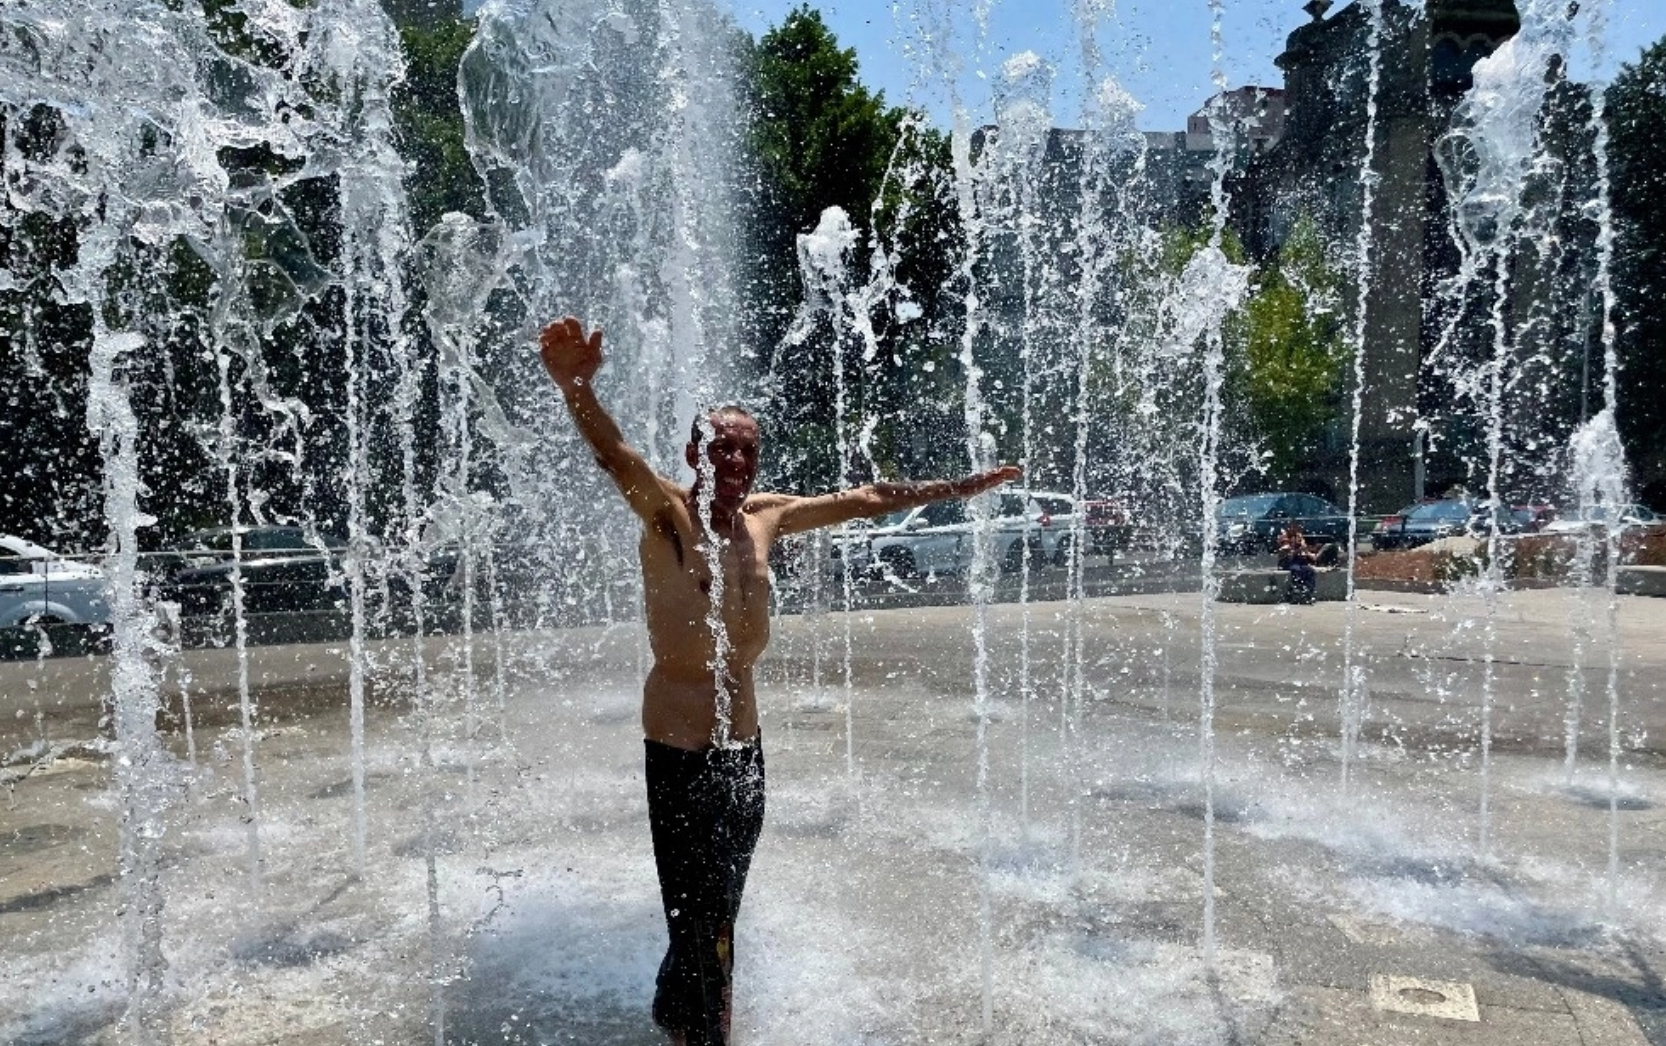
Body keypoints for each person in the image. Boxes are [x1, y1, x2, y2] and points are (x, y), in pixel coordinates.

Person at [537, 315, 1020, 1046]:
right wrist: (576, 385)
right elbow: (615, 455)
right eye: (722, 446)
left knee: (720, 908)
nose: (736, 459)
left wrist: (956, 488)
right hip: (677, 746)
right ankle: (700, 1025)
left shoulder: (765, 520)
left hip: (744, 748)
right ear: (696, 452)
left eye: (747, 449)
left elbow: (863, 498)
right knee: (695, 912)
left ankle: (684, 1011)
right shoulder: (668, 514)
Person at [1275, 521, 1334, 602]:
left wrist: (1309, 554)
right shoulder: (1284, 537)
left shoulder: (1299, 537)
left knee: (1310, 571)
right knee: (1297, 570)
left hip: (1298, 561)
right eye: (1294, 527)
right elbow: (1286, 552)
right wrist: (1297, 550)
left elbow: (1305, 551)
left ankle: (1308, 592)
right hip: (1287, 562)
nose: (1297, 529)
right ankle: (1297, 590)